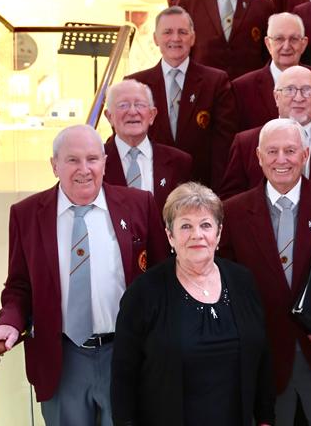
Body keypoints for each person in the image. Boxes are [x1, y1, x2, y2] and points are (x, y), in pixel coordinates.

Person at [0, 124, 167, 425]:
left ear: (104, 162)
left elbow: (162, 276)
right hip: (62, 359)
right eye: (72, 160)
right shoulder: (27, 214)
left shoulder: (139, 204)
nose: (84, 169)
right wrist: (9, 321)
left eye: (92, 159)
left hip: (125, 354)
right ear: (54, 165)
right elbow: (19, 285)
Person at [220, 119, 311, 426]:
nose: (281, 159)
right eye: (272, 151)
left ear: (306, 154)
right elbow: (225, 284)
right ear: (258, 157)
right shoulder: (232, 211)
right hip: (264, 363)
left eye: (290, 150)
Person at [111, 182, 274, 426]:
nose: (197, 234)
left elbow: (262, 359)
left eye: (205, 225)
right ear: (170, 236)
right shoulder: (144, 293)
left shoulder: (243, 281)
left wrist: (265, 419)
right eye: (185, 226)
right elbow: (123, 377)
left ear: (218, 234)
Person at [126, 6, 238, 191]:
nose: (175, 38)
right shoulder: (135, 84)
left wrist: (216, 195)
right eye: (167, 32)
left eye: (183, 32)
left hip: (201, 191)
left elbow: (223, 147)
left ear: (193, 38)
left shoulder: (216, 82)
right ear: (155, 38)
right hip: (150, 191)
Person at [220, 65, 311, 199]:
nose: (298, 98)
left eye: (307, 90)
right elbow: (231, 202)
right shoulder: (245, 143)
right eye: (289, 90)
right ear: (276, 97)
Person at [231, 12, 311, 131]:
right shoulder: (242, 88)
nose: (286, 46)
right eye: (279, 39)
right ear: (268, 43)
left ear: (304, 44)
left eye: (294, 39)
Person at [102, 79, 193, 215]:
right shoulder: (93, 161)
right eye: (123, 105)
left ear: (151, 115)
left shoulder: (179, 162)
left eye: (140, 105)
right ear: (109, 116)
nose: (132, 112)